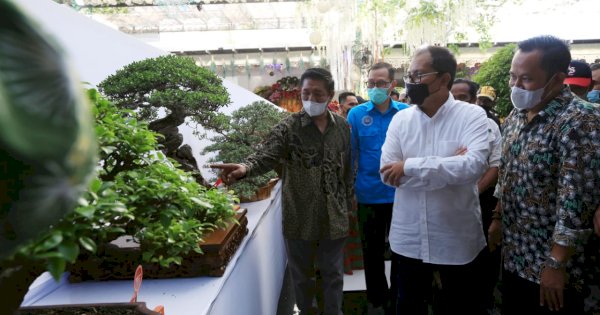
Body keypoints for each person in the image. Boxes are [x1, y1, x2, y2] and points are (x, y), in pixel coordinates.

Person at [211, 68, 353, 315]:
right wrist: (245, 168)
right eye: (305, 93)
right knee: (303, 277)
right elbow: (266, 155)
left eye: (318, 94)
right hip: (300, 217)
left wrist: (350, 200)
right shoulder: (288, 127)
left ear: (330, 95)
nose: (310, 99)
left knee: (332, 275)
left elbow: (348, 167)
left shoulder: (341, 127)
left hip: (334, 215)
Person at [488, 35, 600, 315]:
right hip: (515, 253)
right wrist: (498, 217)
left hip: (554, 266)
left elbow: (577, 200)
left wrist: (556, 263)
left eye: (525, 79)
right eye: (512, 77)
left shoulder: (579, 121)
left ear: (557, 78)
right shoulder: (516, 116)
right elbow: (507, 172)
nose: (515, 86)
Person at [380, 46, 490, 315]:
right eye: (410, 75)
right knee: (408, 307)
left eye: (418, 75)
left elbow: (473, 167)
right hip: (409, 238)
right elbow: (387, 174)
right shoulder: (400, 121)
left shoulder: (472, 116)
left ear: (443, 79)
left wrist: (409, 166)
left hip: (456, 239)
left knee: (459, 308)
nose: (411, 82)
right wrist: (449, 165)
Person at [347, 62, 409, 314]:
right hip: (368, 192)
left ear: (392, 85)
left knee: (400, 249)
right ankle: (376, 297)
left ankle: (397, 294)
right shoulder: (356, 114)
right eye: (370, 83)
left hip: (401, 193)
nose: (374, 88)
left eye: (380, 83)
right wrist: (350, 191)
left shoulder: (406, 113)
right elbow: (351, 155)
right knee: (371, 250)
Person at [451, 79, 503, 312]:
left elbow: (495, 166)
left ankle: (483, 299)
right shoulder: (440, 123)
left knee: (483, 253)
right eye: (452, 95)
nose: (456, 101)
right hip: (449, 199)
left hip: (481, 197)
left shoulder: (489, 125)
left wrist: (473, 191)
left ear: (473, 100)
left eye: (462, 97)